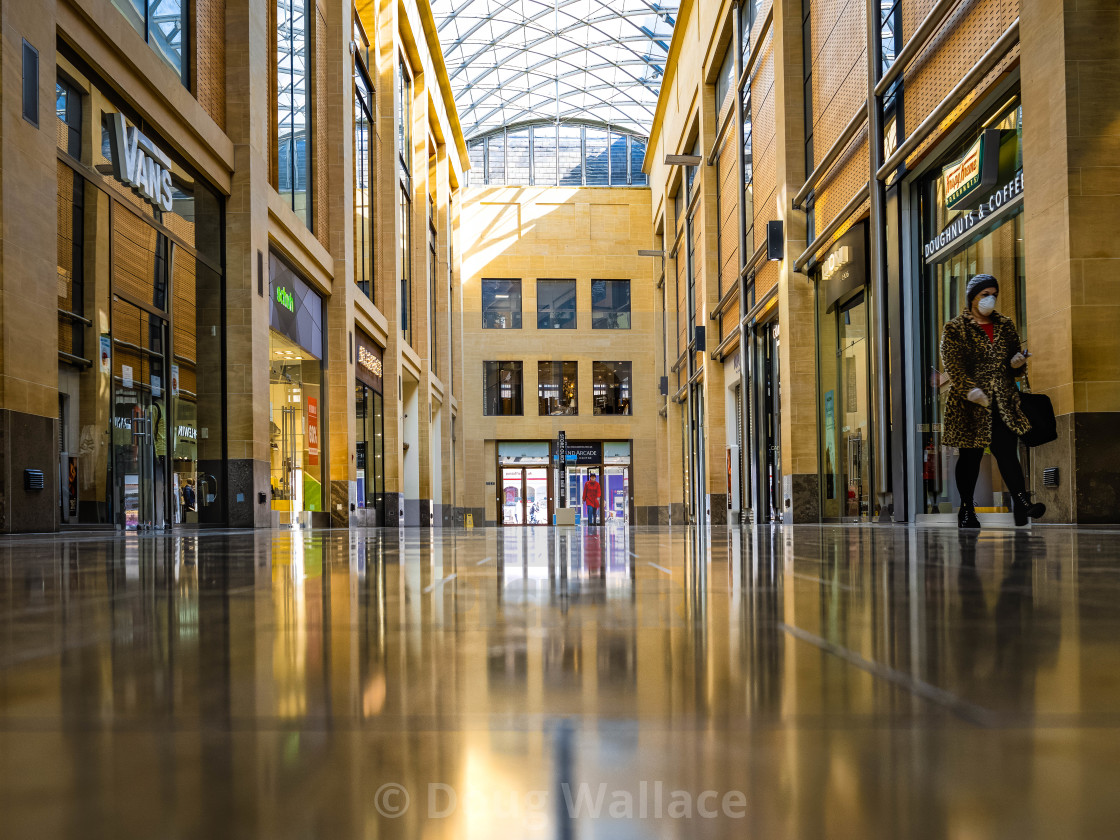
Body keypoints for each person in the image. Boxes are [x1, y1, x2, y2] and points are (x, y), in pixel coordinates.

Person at [940, 274, 1045, 529]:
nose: (990, 299)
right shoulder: (955, 328)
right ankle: (967, 509)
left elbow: (1012, 363)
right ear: (972, 297)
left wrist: (1017, 363)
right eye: (984, 294)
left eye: (994, 294)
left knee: (1007, 452)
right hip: (971, 405)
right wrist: (970, 390)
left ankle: (1023, 503)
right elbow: (953, 366)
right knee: (971, 457)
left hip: (1002, 402)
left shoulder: (1005, 325)